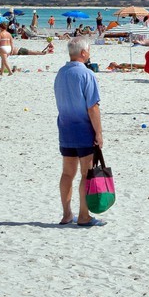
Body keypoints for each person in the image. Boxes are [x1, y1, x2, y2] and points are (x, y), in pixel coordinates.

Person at [54, 38, 104, 227]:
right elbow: (93, 107)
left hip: (65, 128)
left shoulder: (61, 73)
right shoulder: (86, 74)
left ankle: (67, 214)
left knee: (67, 173)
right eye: (88, 50)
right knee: (86, 173)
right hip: (83, 130)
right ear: (83, 53)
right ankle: (84, 215)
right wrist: (98, 133)